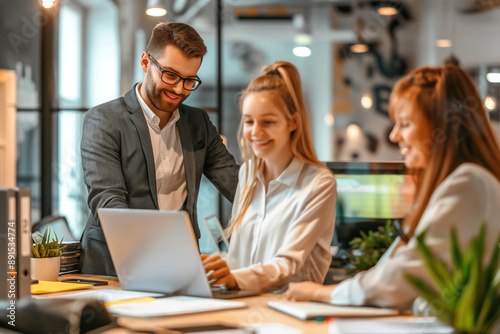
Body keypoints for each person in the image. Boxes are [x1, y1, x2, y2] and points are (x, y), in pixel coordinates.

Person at [285, 64, 500, 309]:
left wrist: (321, 293)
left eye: (405, 125)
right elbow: (397, 269)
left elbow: (402, 280)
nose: (394, 136)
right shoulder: (464, 184)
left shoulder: (470, 184)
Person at [80, 22, 239, 276]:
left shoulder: (198, 123)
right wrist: (155, 252)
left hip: (179, 262)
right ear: (145, 62)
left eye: (189, 80)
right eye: (170, 75)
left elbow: (236, 182)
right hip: (113, 267)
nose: (179, 89)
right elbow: (107, 201)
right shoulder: (104, 120)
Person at [201, 61, 337, 291]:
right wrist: (216, 267)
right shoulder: (247, 175)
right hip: (244, 307)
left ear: (292, 122)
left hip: (289, 314)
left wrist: (235, 278)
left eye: (268, 122)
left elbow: (287, 264)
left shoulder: (318, 183)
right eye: (249, 121)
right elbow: (238, 261)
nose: (255, 132)